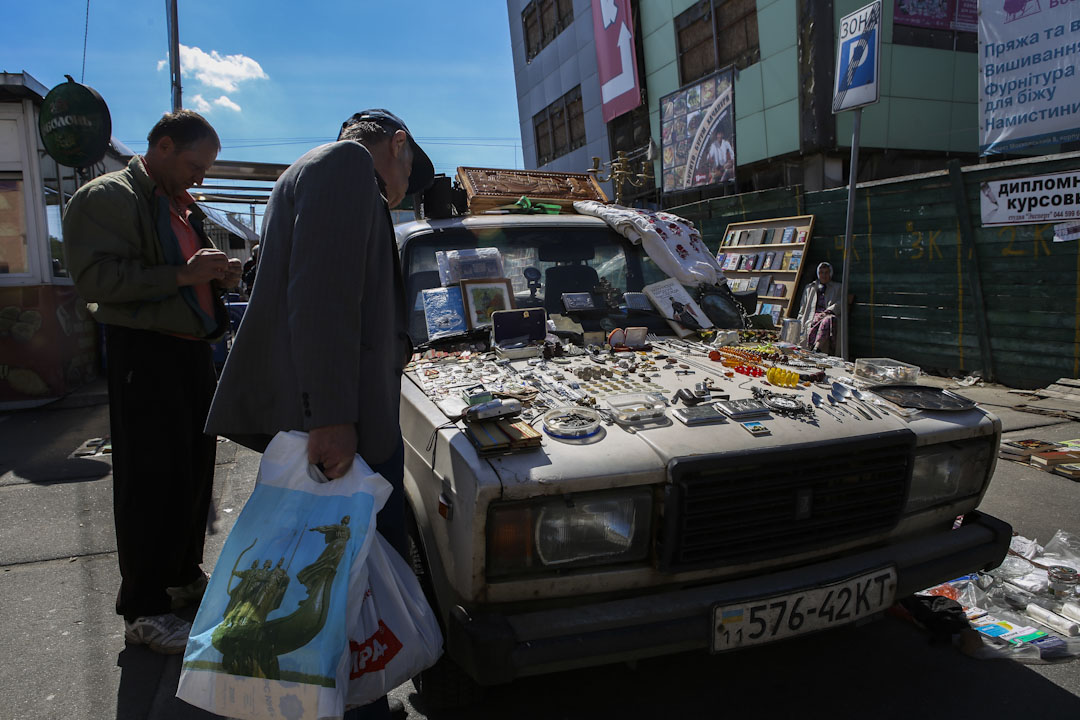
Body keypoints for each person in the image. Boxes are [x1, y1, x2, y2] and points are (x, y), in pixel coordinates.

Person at [205, 108, 434, 720]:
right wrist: (331, 417)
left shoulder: (320, 171)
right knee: (339, 575)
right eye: (408, 175)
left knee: (339, 579)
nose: (403, 190)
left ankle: (346, 698)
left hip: (339, 415)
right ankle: (353, 705)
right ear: (398, 145)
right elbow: (323, 299)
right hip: (340, 422)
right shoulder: (345, 166)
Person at [63, 110, 242, 654]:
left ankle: (181, 578)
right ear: (163, 146)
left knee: (191, 472)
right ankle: (143, 609)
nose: (201, 178)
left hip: (189, 353)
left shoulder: (177, 201)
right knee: (150, 480)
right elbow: (97, 279)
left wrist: (217, 273)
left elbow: (181, 273)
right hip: (147, 353)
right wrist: (187, 274)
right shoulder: (107, 197)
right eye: (195, 164)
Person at [797, 261, 843, 354]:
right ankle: (813, 348)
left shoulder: (838, 287)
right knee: (815, 321)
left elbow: (841, 303)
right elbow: (803, 307)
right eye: (821, 273)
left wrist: (828, 311)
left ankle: (817, 348)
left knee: (829, 319)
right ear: (818, 274)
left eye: (826, 272)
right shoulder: (810, 288)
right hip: (813, 316)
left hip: (828, 316)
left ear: (830, 274)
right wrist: (800, 322)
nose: (824, 275)